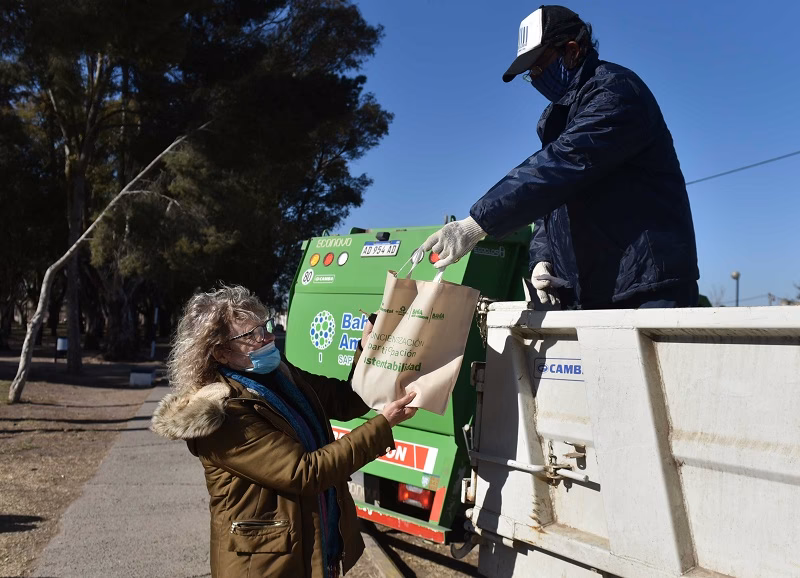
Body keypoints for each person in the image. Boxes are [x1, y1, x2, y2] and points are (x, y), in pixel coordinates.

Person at [422, 5, 699, 309]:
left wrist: (476, 223)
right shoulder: (559, 116)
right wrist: (543, 258)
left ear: (571, 50)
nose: (536, 77)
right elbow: (552, 199)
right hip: (593, 290)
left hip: (646, 286)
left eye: (539, 66)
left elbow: (560, 165)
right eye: (531, 74)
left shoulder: (615, 92)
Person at [151, 284, 417, 577]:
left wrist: (366, 351)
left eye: (265, 326)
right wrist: (383, 425)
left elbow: (345, 400)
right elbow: (305, 472)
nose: (268, 337)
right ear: (221, 353)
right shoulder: (223, 416)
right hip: (267, 566)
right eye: (251, 335)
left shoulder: (279, 375)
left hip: (311, 550)